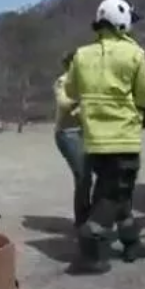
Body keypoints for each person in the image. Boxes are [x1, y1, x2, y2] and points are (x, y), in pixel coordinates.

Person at [64, 0, 145, 274]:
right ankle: (90, 245)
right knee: (112, 195)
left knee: (118, 192)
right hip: (123, 139)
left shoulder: (81, 55)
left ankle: (131, 242)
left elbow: (71, 92)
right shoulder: (134, 54)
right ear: (123, 22)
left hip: (94, 141)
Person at [53, 51, 93, 227]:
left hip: (88, 133)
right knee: (83, 175)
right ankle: (83, 221)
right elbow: (64, 103)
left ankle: (93, 216)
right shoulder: (63, 81)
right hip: (68, 134)